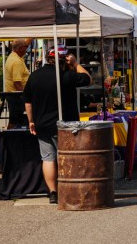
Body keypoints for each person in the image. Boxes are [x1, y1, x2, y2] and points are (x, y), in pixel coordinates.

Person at [23, 47, 91, 204]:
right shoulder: (66, 75)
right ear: (64, 59)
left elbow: (28, 102)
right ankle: (70, 190)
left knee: (48, 159)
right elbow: (88, 79)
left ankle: (53, 192)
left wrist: (31, 121)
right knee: (67, 157)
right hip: (65, 125)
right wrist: (75, 63)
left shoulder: (35, 76)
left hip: (42, 124)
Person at [4, 38, 30, 127]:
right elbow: (17, 83)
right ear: (21, 48)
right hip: (17, 96)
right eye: (26, 47)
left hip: (13, 95)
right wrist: (26, 97)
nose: (27, 49)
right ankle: (9, 136)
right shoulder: (16, 62)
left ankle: (9, 135)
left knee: (14, 120)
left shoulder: (13, 56)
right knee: (15, 121)